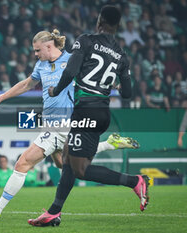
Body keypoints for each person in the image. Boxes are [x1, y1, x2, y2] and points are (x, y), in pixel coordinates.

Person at [0, 28, 139, 220]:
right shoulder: (41, 65)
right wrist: (1, 97)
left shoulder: (74, 59)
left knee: (23, 163)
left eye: (37, 50)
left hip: (65, 124)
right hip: (52, 124)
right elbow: (27, 84)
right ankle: (110, 144)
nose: (35, 54)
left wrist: (115, 85)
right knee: (63, 164)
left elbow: (96, 78)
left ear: (48, 46)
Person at [28, 5, 150, 227]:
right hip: (101, 111)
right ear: (118, 25)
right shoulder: (122, 56)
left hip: (86, 110)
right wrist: (119, 86)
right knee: (67, 157)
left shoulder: (86, 41)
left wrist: (55, 90)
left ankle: (135, 181)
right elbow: (128, 94)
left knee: (80, 169)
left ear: (99, 21)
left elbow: (71, 71)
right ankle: (54, 212)